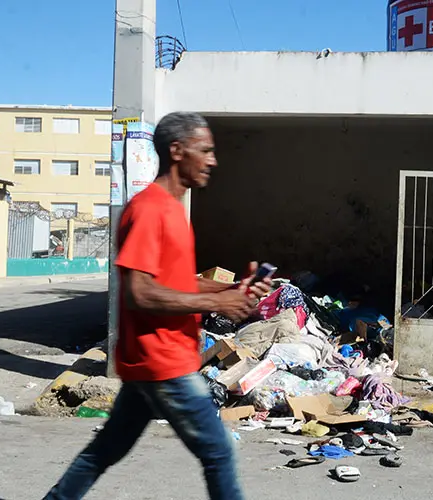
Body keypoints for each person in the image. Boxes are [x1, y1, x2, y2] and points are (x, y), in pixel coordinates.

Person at [44, 112, 268, 500]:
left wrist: (229, 290)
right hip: (163, 362)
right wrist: (218, 300)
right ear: (178, 151)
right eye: (206, 150)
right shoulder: (150, 209)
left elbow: (175, 283)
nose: (213, 160)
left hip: (150, 363)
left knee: (105, 451)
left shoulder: (173, 211)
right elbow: (140, 293)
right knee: (218, 451)